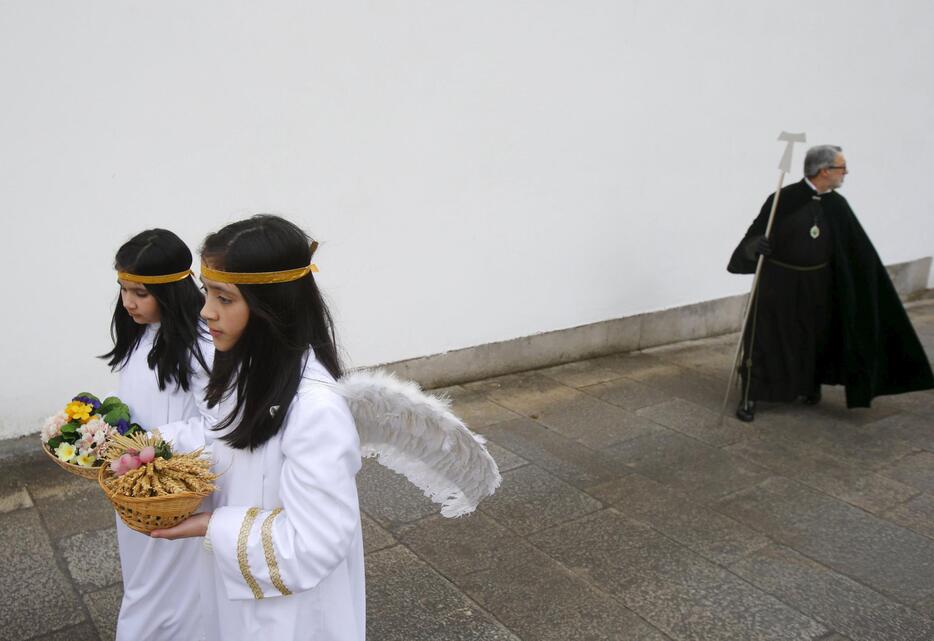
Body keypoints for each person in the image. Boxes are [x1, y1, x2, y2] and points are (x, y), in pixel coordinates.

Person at [150, 215, 366, 641]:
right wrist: (150, 449)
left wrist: (210, 525)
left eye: (225, 299)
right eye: (206, 293)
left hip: (294, 611)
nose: (206, 312)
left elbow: (314, 542)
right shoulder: (243, 368)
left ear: (273, 308)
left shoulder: (315, 408)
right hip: (241, 584)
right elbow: (222, 438)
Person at [728, 145, 933, 421]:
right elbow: (753, 236)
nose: (845, 172)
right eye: (841, 167)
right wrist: (755, 246)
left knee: (812, 338)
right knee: (767, 339)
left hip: (819, 285)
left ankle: (807, 387)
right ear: (824, 171)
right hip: (779, 284)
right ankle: (751, 395)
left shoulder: (838, 205)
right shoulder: (783, 199)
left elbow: (855, 249)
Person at [102, 229, 217, 640]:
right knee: (142, 574)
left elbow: (216, 422)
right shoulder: (139, 334)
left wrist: (155, 441)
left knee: (165, 589)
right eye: (123, 289)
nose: (128, 302)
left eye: (140, 292)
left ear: (171, 291)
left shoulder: (201, 344)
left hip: (176, 488)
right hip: (137, 484)